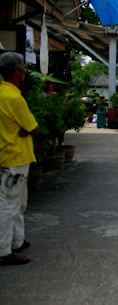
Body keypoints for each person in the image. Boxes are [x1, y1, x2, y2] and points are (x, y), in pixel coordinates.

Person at [0, 52, 40, 266]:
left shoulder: (2, 93)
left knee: (18, 202)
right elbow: (34, 128)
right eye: (23, 67)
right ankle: (3, 250)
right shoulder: (15, 98)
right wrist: (24, 130)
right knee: (8, 204)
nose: (25, 70)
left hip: (7, 154)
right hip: (15, 157)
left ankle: (17, 240)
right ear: (17, 71)